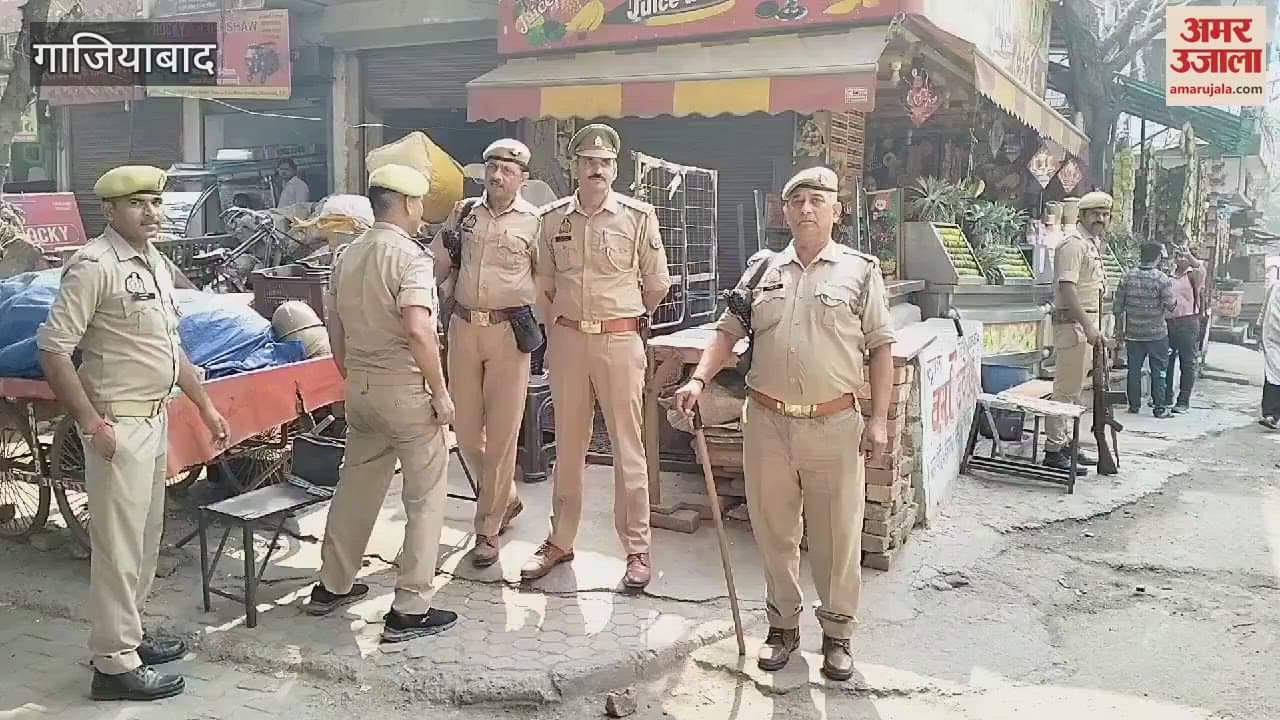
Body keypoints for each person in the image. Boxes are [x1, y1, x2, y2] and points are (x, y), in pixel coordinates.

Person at [672, 166, 895, 682]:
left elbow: (882, 348)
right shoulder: (761, 271)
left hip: (834, 425)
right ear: (785, 211)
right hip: (767, 423)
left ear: (837, 210)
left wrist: (879, 420)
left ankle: (837, 635)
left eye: (817, 200)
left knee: (837, 537)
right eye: (797, 201)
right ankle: (782, 627)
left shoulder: (861, 272)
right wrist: (698, 380)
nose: (806, 209)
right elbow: (726, 333)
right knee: (774, 532)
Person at [36, 165, 230, 702]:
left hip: (154, 419)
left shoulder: (156, 264)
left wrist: (206, 407)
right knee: (118, 548)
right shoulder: (94, 265)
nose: (150, 213)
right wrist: (89, 423)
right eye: (136, 204)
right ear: (110, 211)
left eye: (155, 203)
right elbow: (53, 350)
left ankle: (131, 636)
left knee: (145, 541)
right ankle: (113, 663)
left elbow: (171, 348)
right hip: (117, 426)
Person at [304, 163, 459, 643]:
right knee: (425, 498)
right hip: (406, 390)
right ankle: (410, 608)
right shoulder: (411, 258)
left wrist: (351, 373)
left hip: (362, 387)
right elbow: (418, 329)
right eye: (420, 203)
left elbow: (333, 324)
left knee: (355, 488)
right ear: (409, 204)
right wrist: (440, 392)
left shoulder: (348, 254)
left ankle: (332, 585)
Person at [522, 124, 671, 590]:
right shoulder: (552, 220)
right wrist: (559, 330)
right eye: (588, 162)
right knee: (569, 446)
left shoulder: (638, 217)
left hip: (619, 341)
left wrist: (622, 319)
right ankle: (560, 540)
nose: (596, 170)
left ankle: (637, 549)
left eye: (604, 163)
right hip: (568, 341)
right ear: (576, 167)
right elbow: (543, 286)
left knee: (628, 447)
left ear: (615, 168)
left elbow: (657, 285)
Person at [431, 139, 540, 568]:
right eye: (492, 167)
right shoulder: (463, 214)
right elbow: (437, 263)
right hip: (463, 327)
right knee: (463, 430)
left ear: (522, 178)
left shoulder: (535, 223)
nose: (497, 176)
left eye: (507, 170)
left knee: (502, 434)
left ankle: (488, 528)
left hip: (508, 333)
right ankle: (506, 497)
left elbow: (547, 281)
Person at [1043, 191, 1113, 474]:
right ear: (1082, 215)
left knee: (1075, 391)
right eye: (1095, 214)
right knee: (1065, 391)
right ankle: (1053, 449)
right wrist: (1087, 325)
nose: (1100, 219)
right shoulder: (1073, 244)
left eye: (1104, 214)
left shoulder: (1091, 244)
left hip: (1086, 326)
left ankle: (1067, 443)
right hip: (1074, 326)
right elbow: (1068, 288)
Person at [1114, 242, 1176, 417]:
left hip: (1133, 333)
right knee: (1158, 370)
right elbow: (1171, 306)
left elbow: (1118, 308)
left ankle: (1134, 405)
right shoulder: (1162, 279)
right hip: (1157, 334)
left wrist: (1119, 331)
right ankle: (1159, 407)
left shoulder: (1127, 277)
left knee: (1134, 370)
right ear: (1158, 257)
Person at [1165, 248, 1205, 413]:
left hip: (1188, 322)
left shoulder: (1193, 275)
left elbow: (1201, 268)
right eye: (1178, 256)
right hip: (1169, 322)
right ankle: (1165, 396)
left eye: (1184, 257)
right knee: (1166, 361)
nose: (1180, 259)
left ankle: (1183, 401)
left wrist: (1189, 255)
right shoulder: (1169, 275)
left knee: (1187, 363)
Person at [1260, 279, 1280, 429]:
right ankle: (1270, 414)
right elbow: (1265, 307)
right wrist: (1259, 325)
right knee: (1272, 374)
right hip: (1272, 339)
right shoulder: (1274, 287)